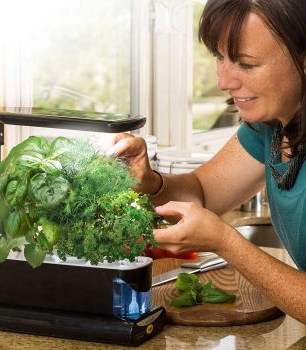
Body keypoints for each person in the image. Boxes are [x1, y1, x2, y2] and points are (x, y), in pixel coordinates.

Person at [107, 0, 306, 324]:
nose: (224, 81)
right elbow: (203, 192)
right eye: (220, 57)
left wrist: (224, 241)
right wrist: (150, 182)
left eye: (246, 64)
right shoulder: (270, 127)